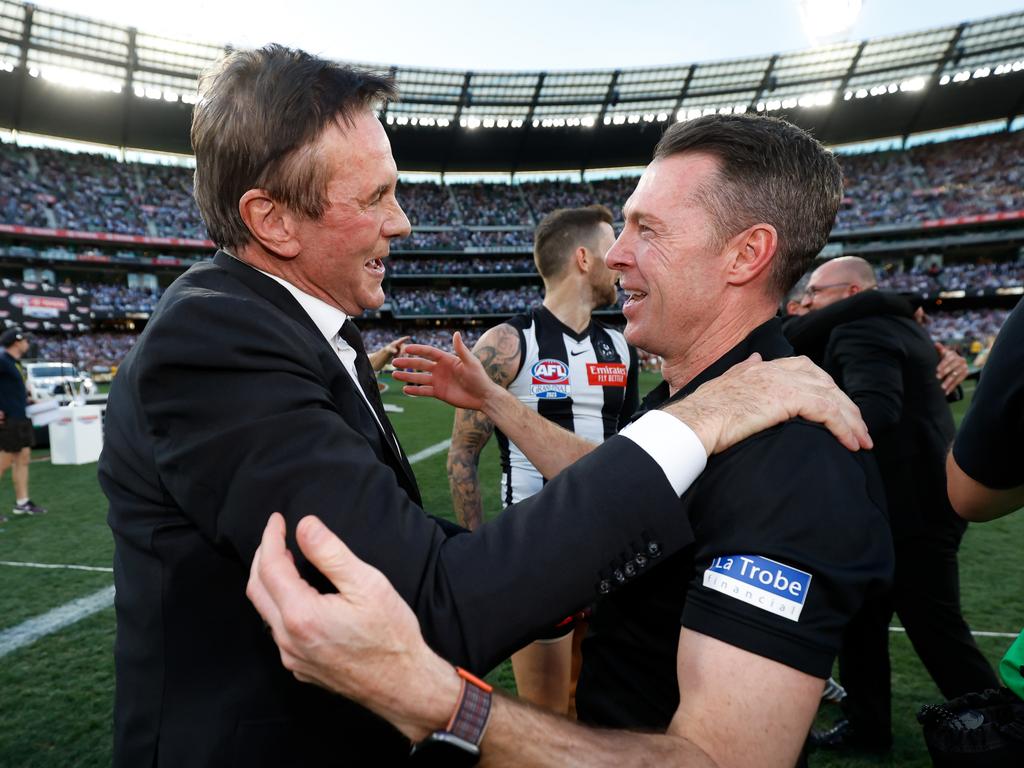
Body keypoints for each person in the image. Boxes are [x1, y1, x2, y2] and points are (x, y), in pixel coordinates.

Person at [98, 46, 868, 767]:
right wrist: (696, 419)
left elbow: (394, 544)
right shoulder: (220, 334)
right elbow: (422, 592)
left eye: (648, 228)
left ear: (745, 254)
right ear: (271, 220)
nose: (402, 221)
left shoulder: (299, 329)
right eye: (377, 197)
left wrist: (541, 595)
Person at [793, 256, 998, 753]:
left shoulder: (859, 328)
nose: (806, 303)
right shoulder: (902, 328)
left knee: (935, 631)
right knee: (862, 620)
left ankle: (1001, 728)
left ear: (848, 294)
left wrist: (804, 425)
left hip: (908, 512)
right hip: (907, 505)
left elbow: (877, 408)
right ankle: (868, 727)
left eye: (816, 293)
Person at [447, 204, 633, 713]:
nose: (619, 260)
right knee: (549, 713)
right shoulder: (508, 342)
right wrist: (481, 554)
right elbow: (463, 455)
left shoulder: (621, 345)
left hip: (615, 553)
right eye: (610, 247)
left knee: (600, 709)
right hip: (536, 553)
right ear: (583, 258)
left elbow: (631, 445)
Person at [0, 327, 46, 519]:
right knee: (3, 462)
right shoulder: (2, 360)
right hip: (9, 419)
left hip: (19, 416)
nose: (28, 343)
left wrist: (27, 400)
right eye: (25, 340)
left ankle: (22, 502)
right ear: (17, 342)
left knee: (23, 458)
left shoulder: (11, 362)